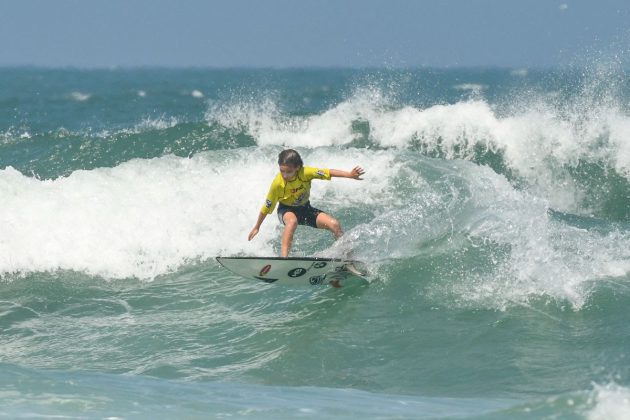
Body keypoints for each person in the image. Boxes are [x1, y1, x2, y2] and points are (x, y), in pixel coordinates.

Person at [248, 149, 365, 257]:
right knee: (292, 222)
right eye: (282, 171)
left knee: (334, 224)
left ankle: (348, 257)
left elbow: (329, 172)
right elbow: (266, 207)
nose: (284, 175)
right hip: (286, 210)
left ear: (297, 168)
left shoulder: (306, 173)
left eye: (289, 172)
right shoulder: (277, 184)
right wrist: (257, 226)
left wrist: (349, 175)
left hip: (305, 209)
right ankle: (283, 260)